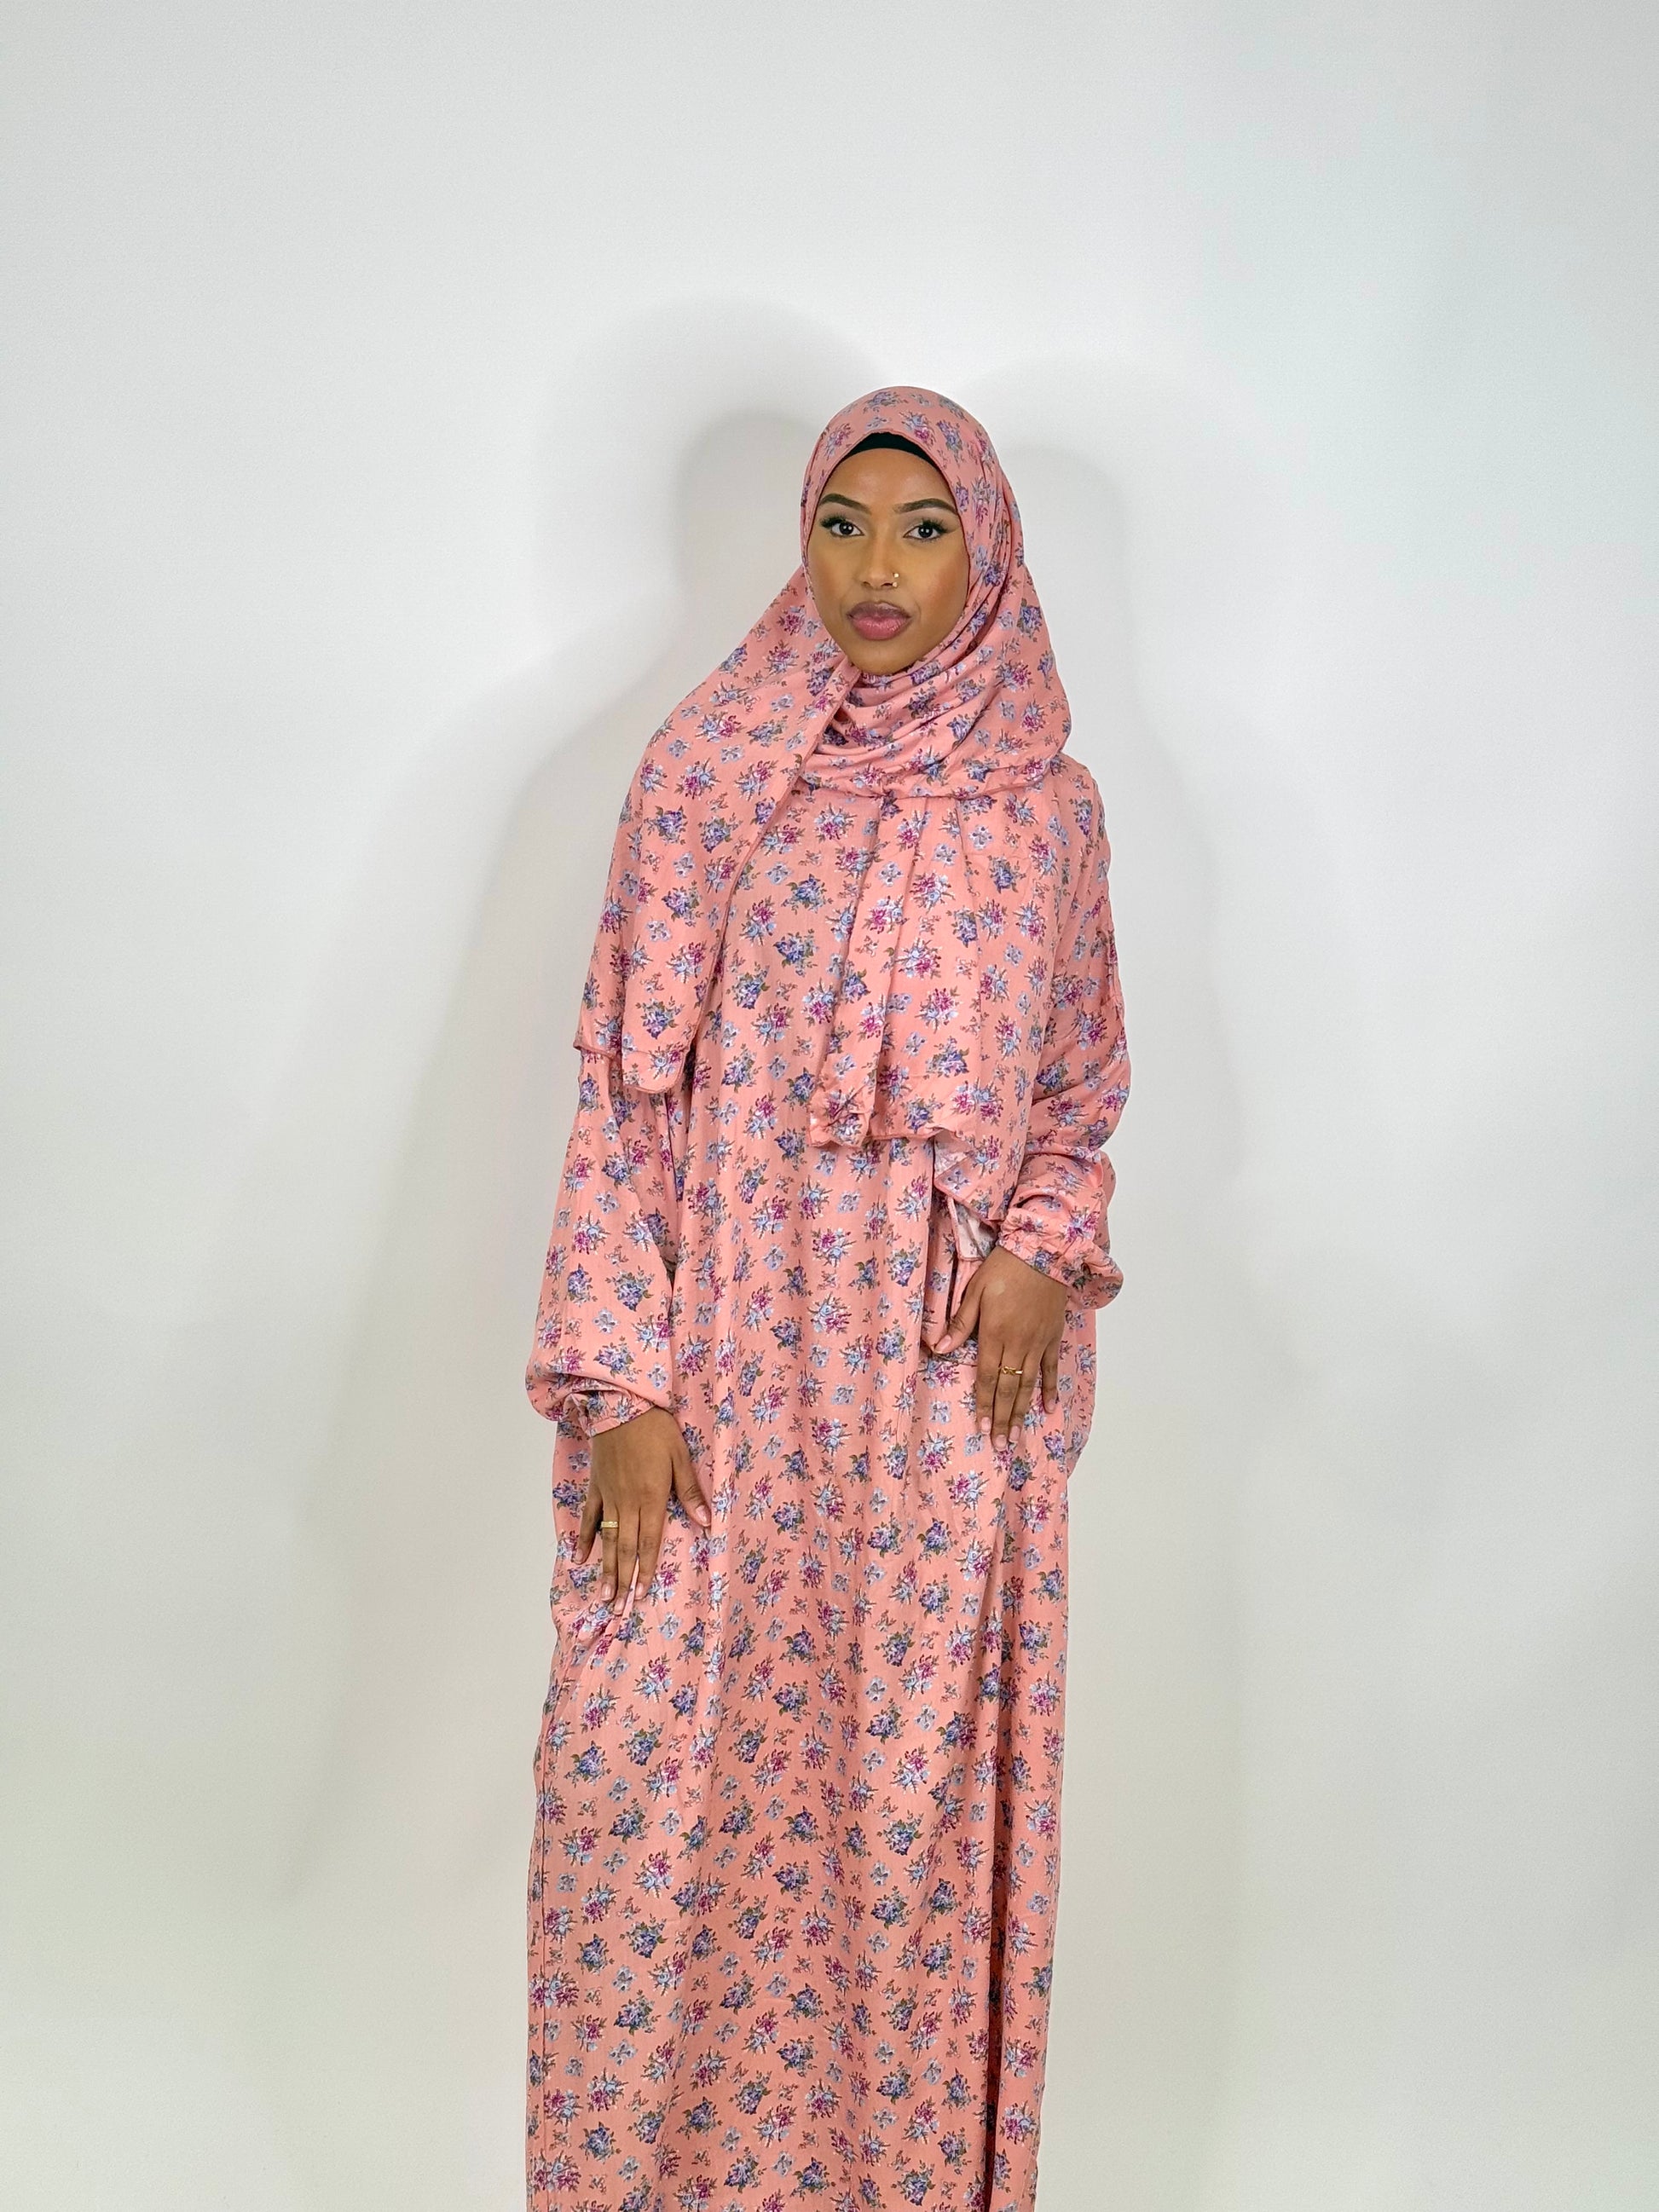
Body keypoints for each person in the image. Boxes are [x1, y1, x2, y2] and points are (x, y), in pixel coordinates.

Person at [523, 386, 1129, 2212]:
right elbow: (621, 1091)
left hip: (939, 1399)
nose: (876, 566)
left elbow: (1079, 1081)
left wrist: (1041, 1244)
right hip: (723, 1370)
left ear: (986, 553)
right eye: (842, 523)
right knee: (648, 1788)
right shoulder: (708, 777)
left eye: (924, 528)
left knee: (904, 1819)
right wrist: (619, 1385)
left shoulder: (1049, 809)